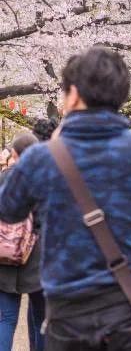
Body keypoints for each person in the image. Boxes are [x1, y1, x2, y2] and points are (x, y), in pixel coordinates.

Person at [0, 47, 131, 351]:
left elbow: (8, 208)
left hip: (68, 304)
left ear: (73, 95)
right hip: (129, 300)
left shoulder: (43, 157)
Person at [0, 132, 44, 351]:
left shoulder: (3, 178)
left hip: (5, 257)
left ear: (14, 154)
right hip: (39, 261)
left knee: (5, 320)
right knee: (41, 321)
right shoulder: (48, 180)